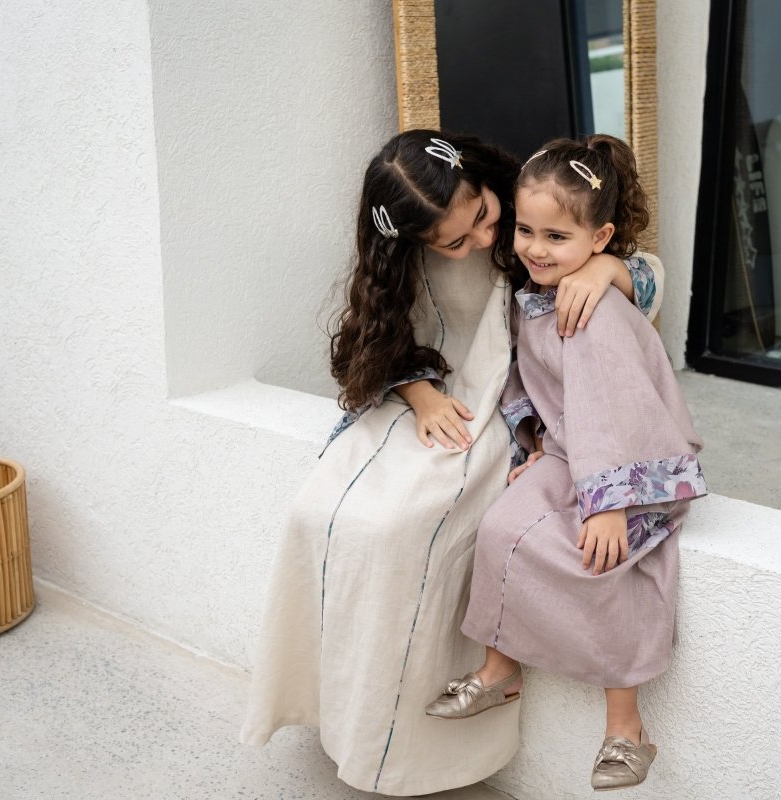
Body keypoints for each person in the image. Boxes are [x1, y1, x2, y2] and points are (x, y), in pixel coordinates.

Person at [239, 129, 664, 797]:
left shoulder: (536, 222)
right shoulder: (408, 258)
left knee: (402, 525)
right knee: (318, 510)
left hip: (507, 410)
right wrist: (419, 394)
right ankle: (340, 710)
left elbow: (645, 283)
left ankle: (411, 740)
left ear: (485, 183)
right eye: (455, 242)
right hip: (428, 400)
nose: (485, 241)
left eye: (486, 218)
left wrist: (609, 270)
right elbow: (375, 346)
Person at [424, 135, 705, 792]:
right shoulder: (536, 295)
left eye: (556, 236)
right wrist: (535, 449)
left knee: (605, 561)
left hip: (630, 467)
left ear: (600, 238)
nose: (536, 248)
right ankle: (500, 670)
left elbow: (613, 409)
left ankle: (626, 727)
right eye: (526, 230)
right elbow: (533, 384)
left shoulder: (593, 310)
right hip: (571, 454)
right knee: (500, 527)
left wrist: (608, 505)